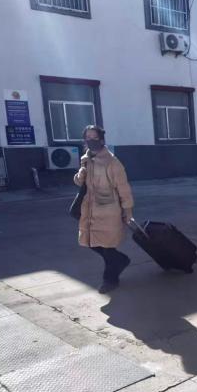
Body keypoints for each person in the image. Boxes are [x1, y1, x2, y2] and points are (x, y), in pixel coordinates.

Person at [74, 125, 134, 294]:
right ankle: (121, 260)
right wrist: (81, 173)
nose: (91, 141)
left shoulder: (112, 162)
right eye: (87, 138)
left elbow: (123, 188)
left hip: (108, 209)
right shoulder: (86, 159)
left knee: (107, 247)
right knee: (90, 241)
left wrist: (127, 211)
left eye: (94, 137)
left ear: (101, 139)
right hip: (89, 207)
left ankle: (110, 280)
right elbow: (79, 182)